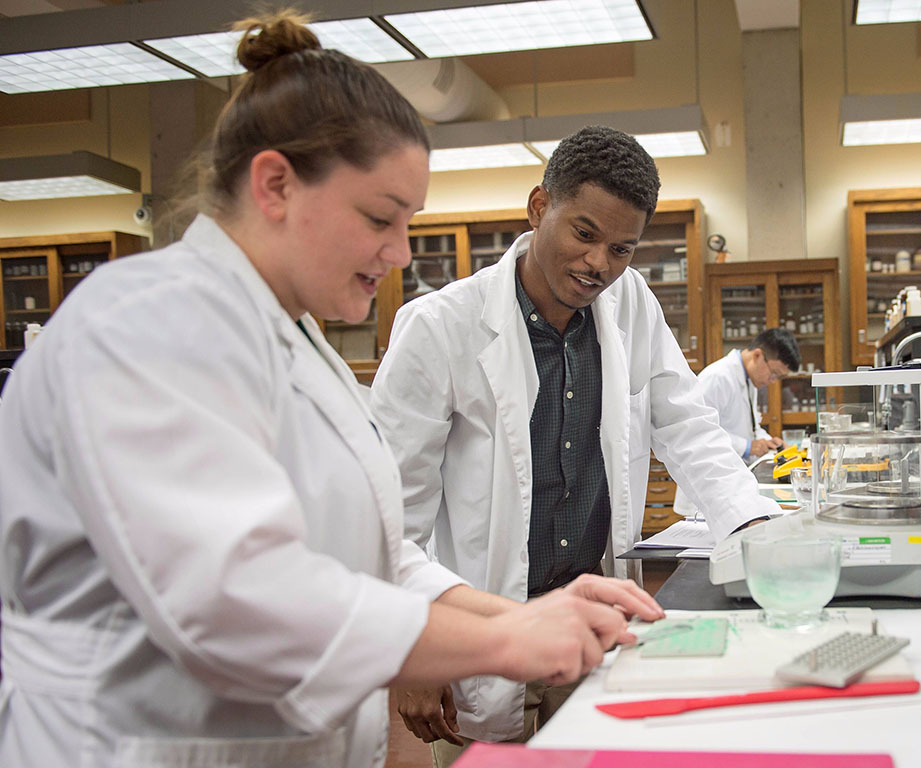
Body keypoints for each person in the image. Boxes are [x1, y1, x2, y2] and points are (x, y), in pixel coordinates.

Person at [0, 15, 663, 768]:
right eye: (381, 218)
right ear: (275, 184)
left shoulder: (297, 346)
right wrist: (504, 637)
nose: (401, 251)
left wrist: (531, 612)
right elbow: (232, 598)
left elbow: (376, 557)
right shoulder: (145, 326)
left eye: (408, 222)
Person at [370, 125, 783, 766]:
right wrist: (416, 644)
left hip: (590, 625)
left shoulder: (629, 302)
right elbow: (392, 514)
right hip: (485, 630)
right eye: (583, 235)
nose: (599, 265)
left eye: (621, 248)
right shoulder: (439, 328)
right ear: (540, 208)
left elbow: (685, 423)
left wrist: (755, 527)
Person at [697, 328, 801, 460]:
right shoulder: (716, 377)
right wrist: (746, 447)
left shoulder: (749, 379)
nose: (773, 381)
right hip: (711, 471)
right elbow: (701, 431)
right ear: (757, 355)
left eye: (779, 377)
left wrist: (769, 442)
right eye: (774, 373)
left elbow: (750, 428)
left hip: (734, 467)